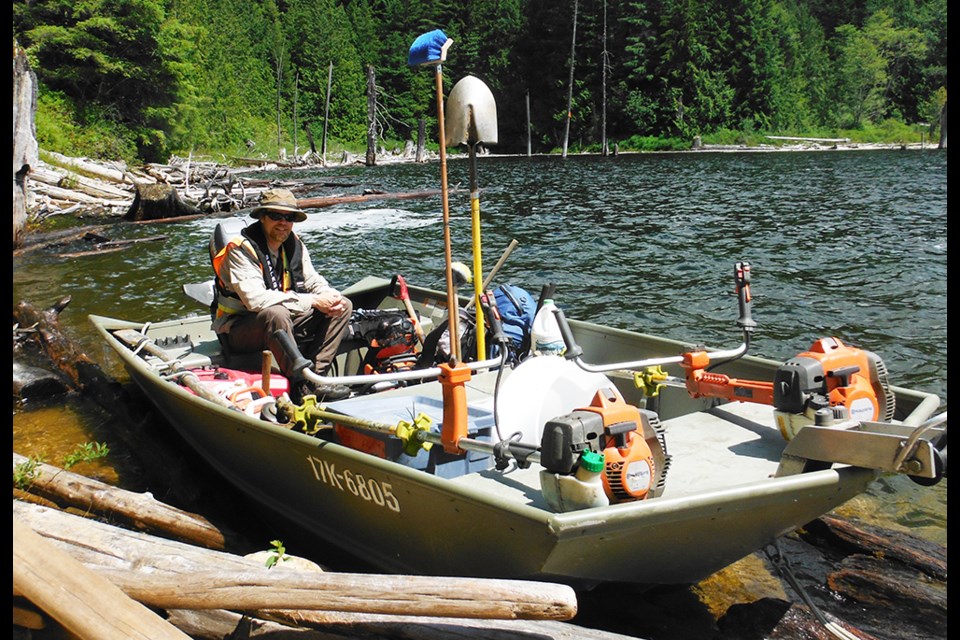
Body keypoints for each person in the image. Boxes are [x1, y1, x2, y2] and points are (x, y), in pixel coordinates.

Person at [211, 188, 352, 402]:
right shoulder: (240, 250)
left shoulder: (294, 245)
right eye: (276, 216)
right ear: (262, 217)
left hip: (284, 319)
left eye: (289, 217)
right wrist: (314, 301)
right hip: (239, 329)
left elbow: (312, 280)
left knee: (344, 306)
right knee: (276, 314)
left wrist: (330, 297)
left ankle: (315, 381)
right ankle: (300, 386)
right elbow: (256, 301)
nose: (283, 223)